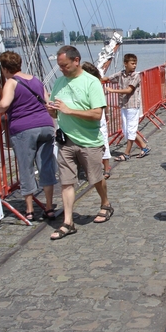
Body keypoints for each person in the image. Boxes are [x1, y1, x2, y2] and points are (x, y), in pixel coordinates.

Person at [47, 45, 113, 240]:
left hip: (89, 140)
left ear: (76, 61)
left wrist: (70, 110)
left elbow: (96, 114)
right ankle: (68, 222)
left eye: (65, 65)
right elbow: (56, 110)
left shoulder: (91, 82)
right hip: (66, 140)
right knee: (66, 182)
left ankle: (105, 203)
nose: (62, 69)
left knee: (95, 178)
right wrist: (52, 110)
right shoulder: (59, 83)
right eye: (59, 66)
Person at [0, 51, 57, 221]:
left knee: (26, 168)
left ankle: (29, 209)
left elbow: (4, 104)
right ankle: (49, 207)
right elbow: (47, 101)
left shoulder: (11, 82)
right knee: (46, 167)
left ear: (5, 69)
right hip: (46, 125)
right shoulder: (36, 80)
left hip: (24, 129)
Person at [105, 54, 152, 160]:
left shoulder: (136, 75)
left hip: (133, 105)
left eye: (135, 63)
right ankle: (144, 147)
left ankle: (127, 153)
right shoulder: (121, 74)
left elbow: (129, 90)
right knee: (126, 131)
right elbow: (108, 78)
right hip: (124, 105)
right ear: (125, 64)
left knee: (131, 130)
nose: (134, 65)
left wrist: (113, 91)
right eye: (132, 63)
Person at [81, 62, 112, 179]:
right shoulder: (95, 83)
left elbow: (102, 101)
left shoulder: (93, 84)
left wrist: (106, 113)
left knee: (101, 141)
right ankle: (101, 168)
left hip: (96, 116)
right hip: (95, 115)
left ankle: (103, 168)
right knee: (100, 141)